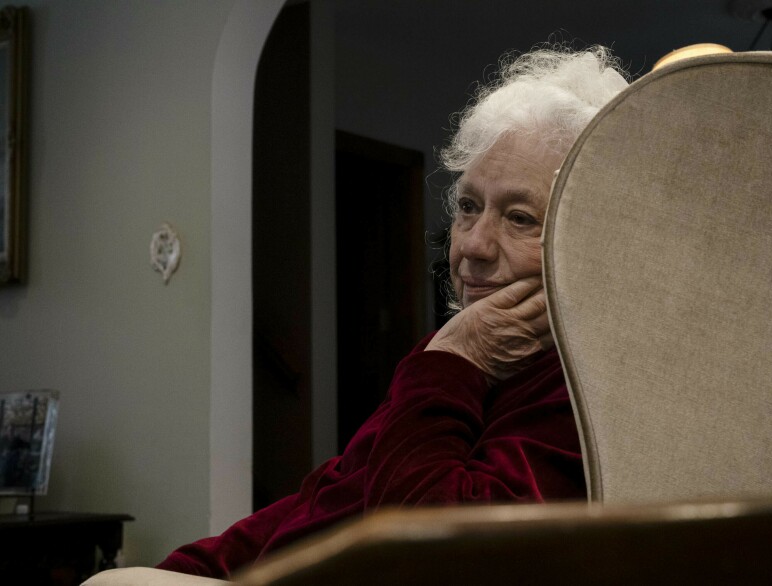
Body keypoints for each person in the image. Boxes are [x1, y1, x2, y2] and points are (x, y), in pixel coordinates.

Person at [157, 44, 628, 578]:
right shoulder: (455, 365)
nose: (472, 245)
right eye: (468, 207)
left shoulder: (579, 391)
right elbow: (329, 501)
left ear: (589, 242)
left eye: (519, 218)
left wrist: (456, 358)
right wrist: (186, 568)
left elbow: (430, 551)